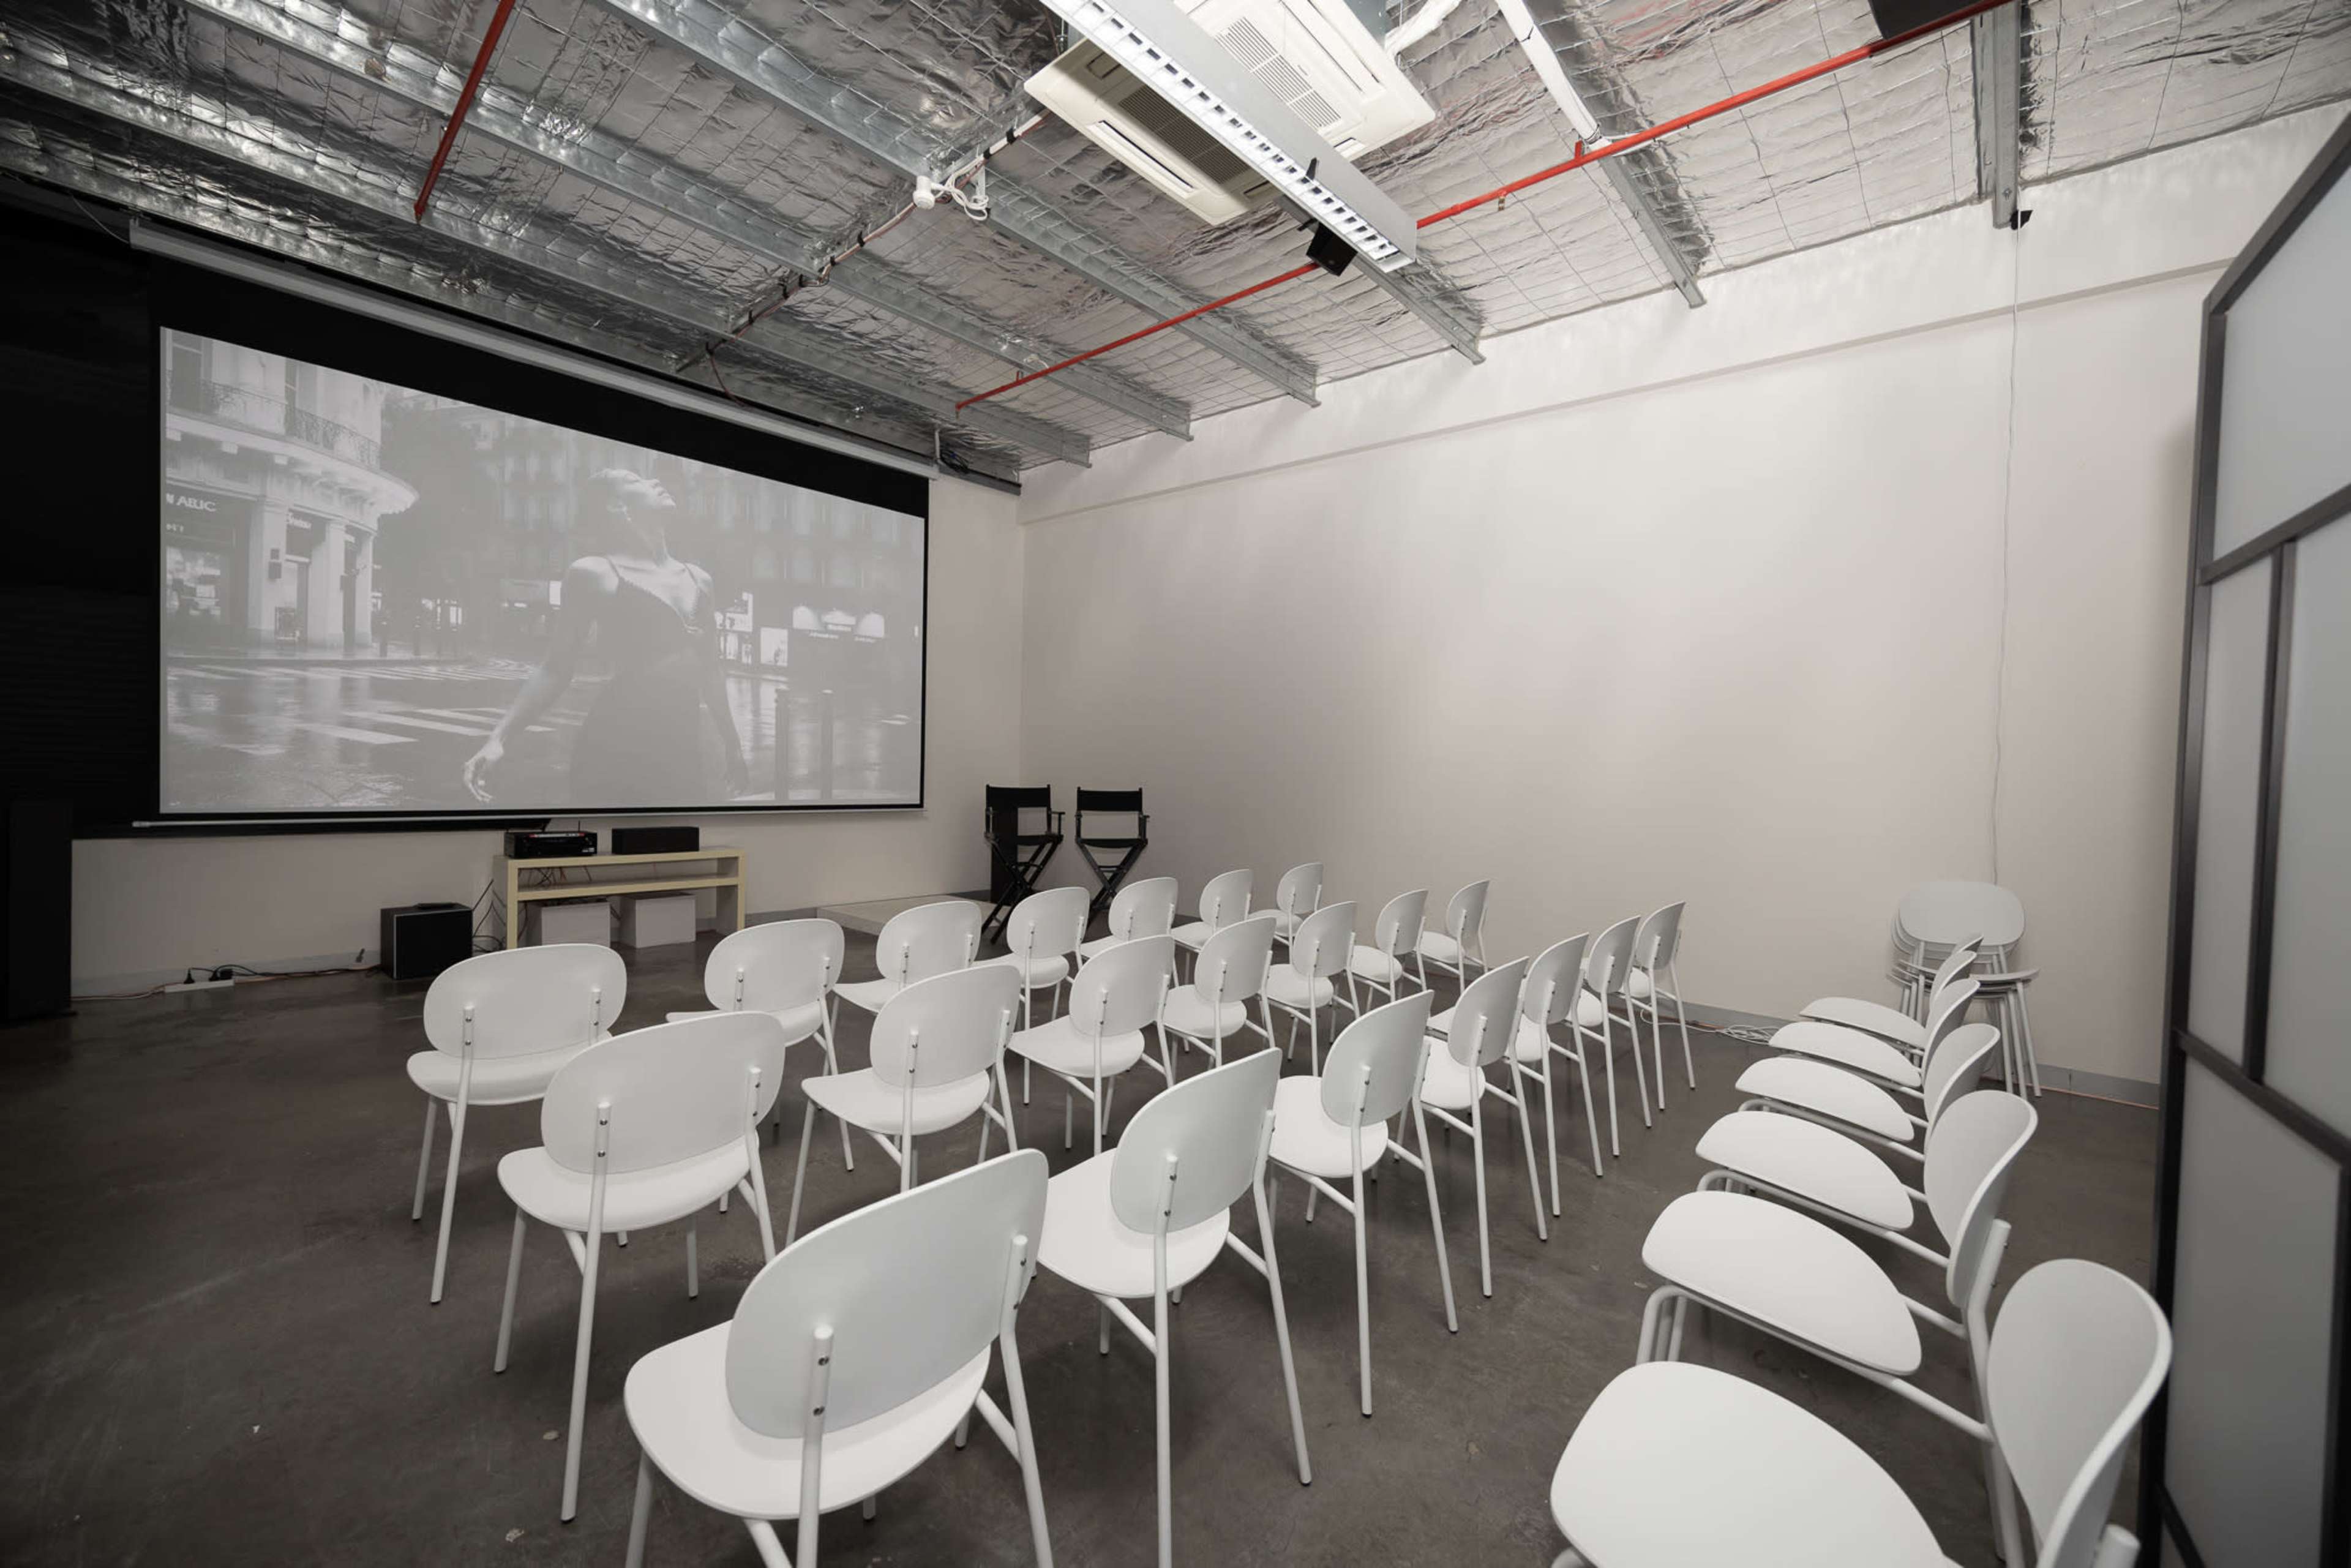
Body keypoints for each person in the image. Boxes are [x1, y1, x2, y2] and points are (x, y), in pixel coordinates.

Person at [463, 468, 750, 807]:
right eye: (636, 481)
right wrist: (499, 738)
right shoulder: (594, 573)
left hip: (681, 745)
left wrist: (732, 743)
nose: (656, 481)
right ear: (617, 506)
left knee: (678, 848)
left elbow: (711, 670)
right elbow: (555, 668)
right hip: (616, 741)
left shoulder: (700, 580)